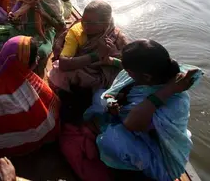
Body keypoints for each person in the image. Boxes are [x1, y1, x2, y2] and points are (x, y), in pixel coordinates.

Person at [82, 39, 201, 181]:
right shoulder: (157, 74)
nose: (127, 74)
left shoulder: (175, 101)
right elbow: (128, 77)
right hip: (138, 125)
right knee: (99, 97)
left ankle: (139, 172)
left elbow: (131, 124)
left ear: (146, 77)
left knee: (111, 141)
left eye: (129, 72)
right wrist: (111, 64)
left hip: (160, 154)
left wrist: (169, 89)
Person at [48, 0, 128, 93]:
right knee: (58, 72)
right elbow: (63, 64)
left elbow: (129, 66)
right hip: (81, 70)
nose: (85, 26)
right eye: (83, 20)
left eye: (91, 23)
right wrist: (97, 55)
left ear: (105, 24)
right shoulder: (77, 31)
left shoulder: (118, 38)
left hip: (105, 77)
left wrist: (111, 59)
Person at [8, 0, 65, 70]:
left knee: (41, 51)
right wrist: (13, 18)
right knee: (12, 44)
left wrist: (43, 13)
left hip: (44, 32)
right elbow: (15, 13)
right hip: (24, 28)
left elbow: (61, 26)